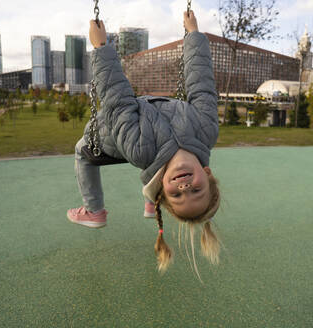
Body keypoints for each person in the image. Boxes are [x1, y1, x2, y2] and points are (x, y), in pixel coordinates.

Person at [67, 11, 221, 272]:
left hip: (113, 137)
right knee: (160, 157)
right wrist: (194, 34)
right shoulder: (205, 131)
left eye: (177, 194)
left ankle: (93, 210)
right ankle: (154, 200)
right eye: (195, 190)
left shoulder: (140, 149)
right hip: (151, 122)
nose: (184, 187)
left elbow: (117, 100)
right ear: (207, 174)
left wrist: (101, 48)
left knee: (82, 152)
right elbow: (201, 83)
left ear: (164, 186)